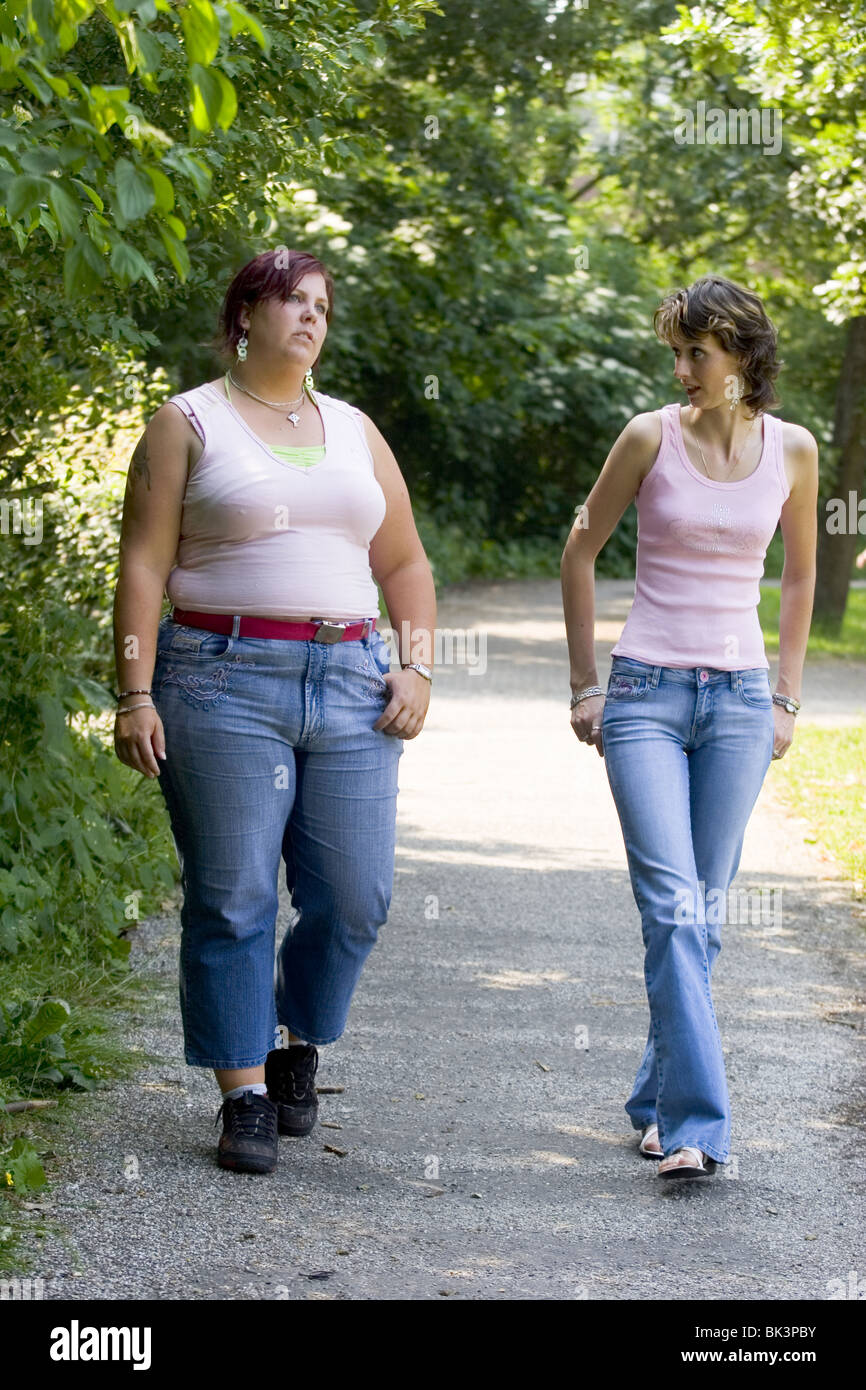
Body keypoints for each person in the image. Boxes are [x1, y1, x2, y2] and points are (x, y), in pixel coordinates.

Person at [113, 247, 436, 1174]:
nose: (310, 317)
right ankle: (244, 1093)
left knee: (356, 895)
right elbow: (142, 564)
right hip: (219, 676)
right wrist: (134, 690)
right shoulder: (188, 423)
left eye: (322, 306)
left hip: (350, 678)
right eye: (291, 300)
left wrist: (417, 667)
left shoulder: (356, 430)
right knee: (235, 894)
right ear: (244, 316)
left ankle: (295, 1034)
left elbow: (404, 563)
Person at [561, 275, 818, 1179]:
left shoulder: (793, 450)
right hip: (645, 698)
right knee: (673, 908)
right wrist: (586, 684)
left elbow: (797, 579)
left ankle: (654, 1097)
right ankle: (697, 1127)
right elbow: (580, 549)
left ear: (743, 353)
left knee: (702, 916)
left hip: (742, 701)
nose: (681, 370)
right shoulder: (647, 436)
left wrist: (785, 696)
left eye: (695, 353)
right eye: (675, 352)